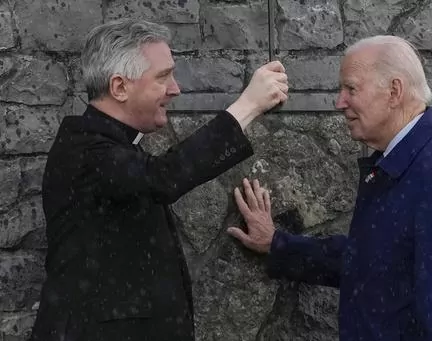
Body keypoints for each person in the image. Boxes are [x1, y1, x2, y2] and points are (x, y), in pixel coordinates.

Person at [228, 35, 432, 341]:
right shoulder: (400, 163)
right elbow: (370, 260)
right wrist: (277, 244)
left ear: (394, 91)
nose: (339, 102)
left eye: (351, 88)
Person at [30, 19, 288, 341]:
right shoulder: (84, 148)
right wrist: (248, 105)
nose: (175, 89)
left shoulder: (110, 144)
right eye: (163, 76)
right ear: (120, 87)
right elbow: (161, 178)